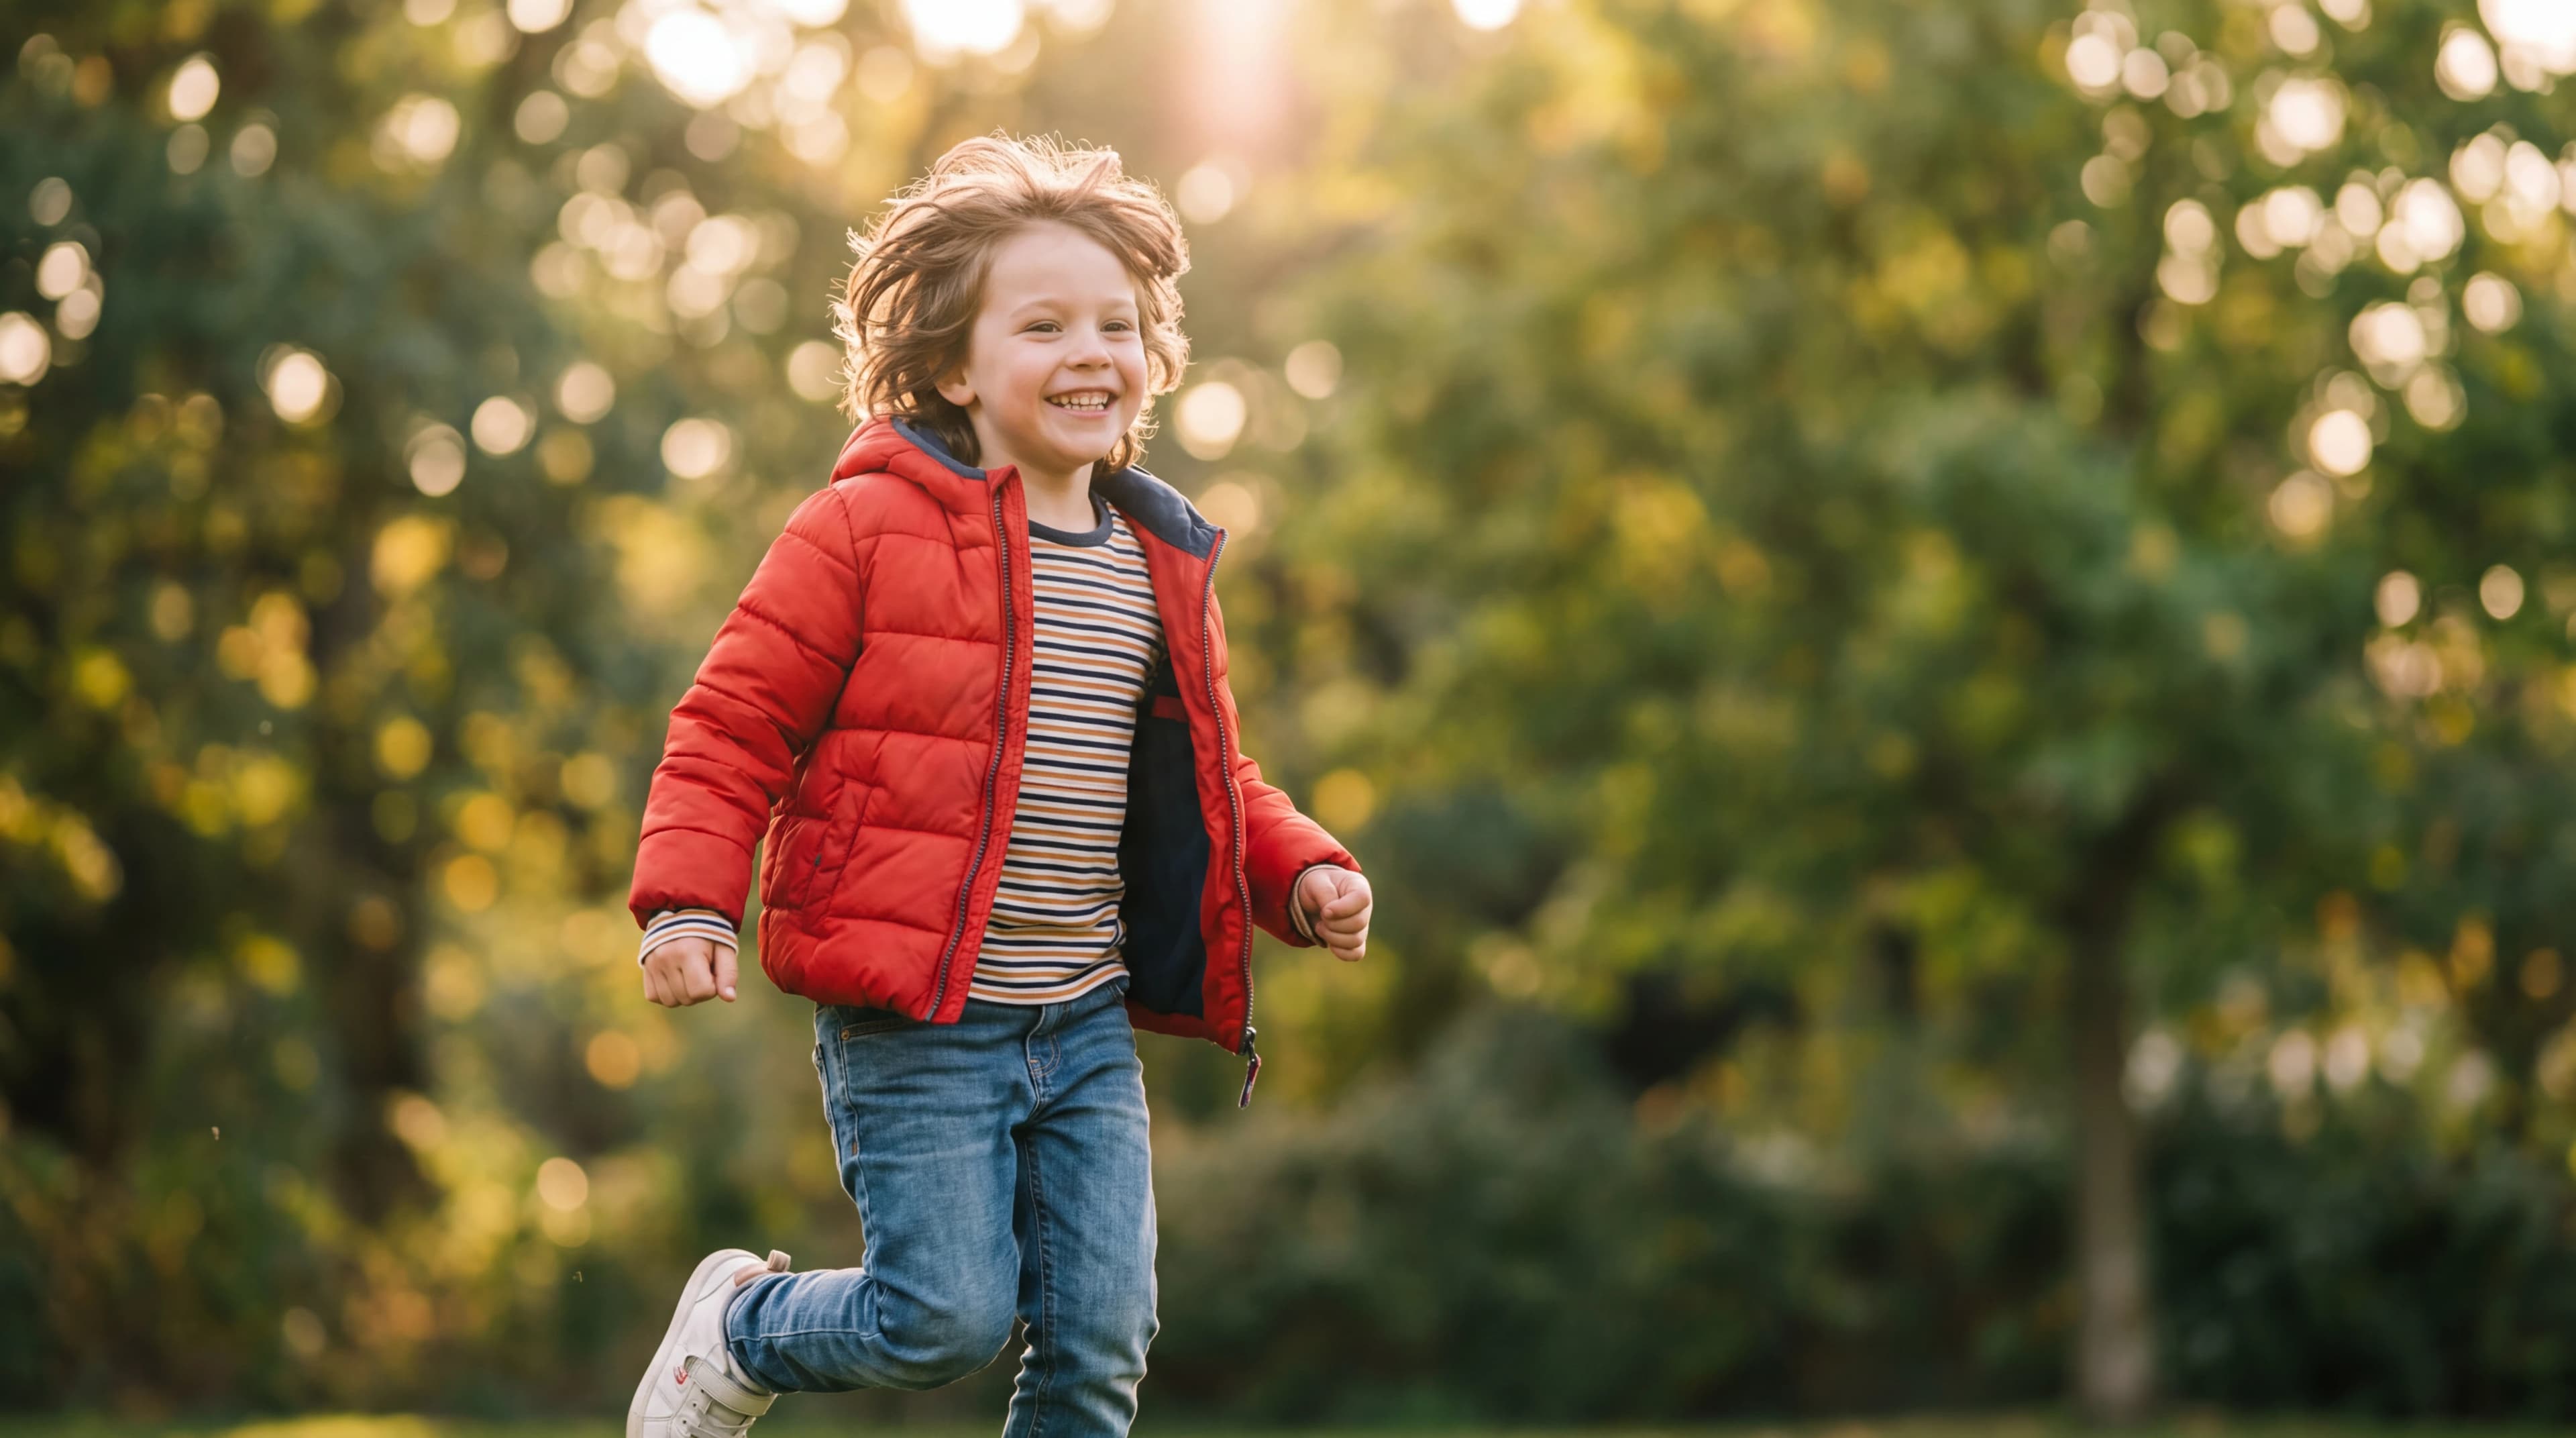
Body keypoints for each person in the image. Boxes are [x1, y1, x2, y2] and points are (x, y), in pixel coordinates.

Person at [620, 134, 1373, 1438]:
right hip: (919, 1016)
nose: (1092, 351)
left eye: (1117, 323)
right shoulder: (863, 527)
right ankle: (740, 1328)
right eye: (1044, 325)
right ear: (956, 367)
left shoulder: (1160, 561)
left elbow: (1213, 774)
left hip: (1077, 1018)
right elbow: (734, 720)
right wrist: (688, 902)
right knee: (944, 1317)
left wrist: (1299, 870)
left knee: (1098, 1339)